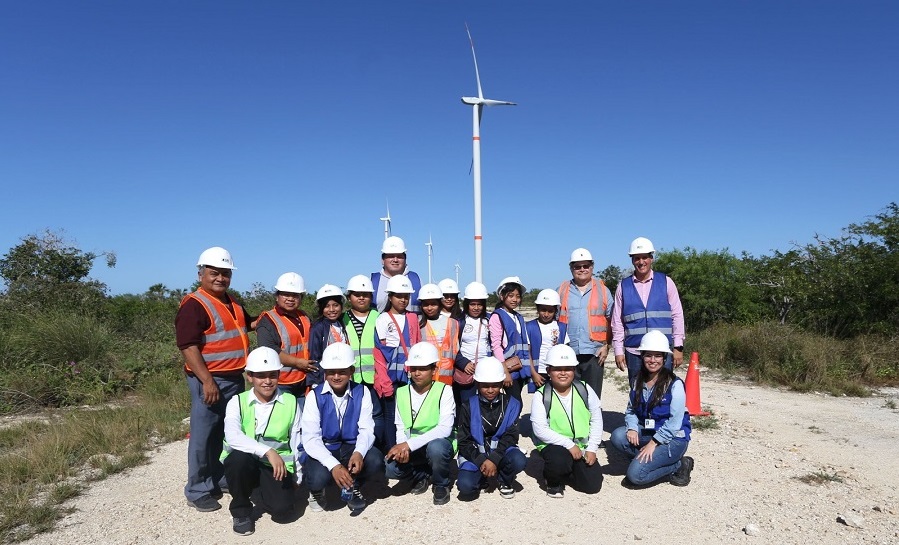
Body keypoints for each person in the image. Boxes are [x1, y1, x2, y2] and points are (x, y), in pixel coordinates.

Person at [175, 247, 255, 513]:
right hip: (210, 380)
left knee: (224, 432)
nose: (220, 278)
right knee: (203, 435)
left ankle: (219, 478)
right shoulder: (194, 304)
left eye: (225, 273)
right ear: (201, 274)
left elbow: (247, 325)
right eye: (214, 273)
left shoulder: (231, 302)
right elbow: (188, 346)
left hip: (234, 377)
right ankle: (197, 488)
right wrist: (207, 381)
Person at [221, 347, 301, 536]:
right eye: (260, 376)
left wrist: (298, 476)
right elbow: (232, 436)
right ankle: (241, 510)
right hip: (247, 461)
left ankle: (261, 488)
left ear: (279, 375)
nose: (267, 381)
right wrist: (267, 451)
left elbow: (298, 441)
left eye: (272, 375)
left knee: (283, 512)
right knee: (237, 460)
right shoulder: (236, 402)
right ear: (250, 377)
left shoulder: (290, 402)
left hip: (275, 467)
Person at [300, 343, 385, 515]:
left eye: (342, 371)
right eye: (331, 372)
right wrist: (334, 466)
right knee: (317, 477)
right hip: (325, 447)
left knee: (375, 460)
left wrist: (359, 452)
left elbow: (367, 429)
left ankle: (352, 484)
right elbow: (310, 438)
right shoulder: (314, 396)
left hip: (351, 446)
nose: (336, 376)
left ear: (352, 371)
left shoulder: (363, 392)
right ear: (324, 372)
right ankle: (316, 491)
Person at [609, 330, 693, 487]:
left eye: (658, 356)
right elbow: (631, 411)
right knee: (618, 436)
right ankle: (646, 460)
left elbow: (675, 423)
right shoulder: (637, 381)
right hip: (650, 431)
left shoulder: (675, 385)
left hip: (673, 438)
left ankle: (680, 464)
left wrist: (653, 443)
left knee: (635, 476)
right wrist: (632, 428)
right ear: (642, 357)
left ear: (664, 358)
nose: (652, 360)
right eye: (648, 355)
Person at [385, 342, 456, 506]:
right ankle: (421, 475)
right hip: (413, 447)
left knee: (436, 449)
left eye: (423, 369)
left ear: (433, 370)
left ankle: (441, 484)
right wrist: (401, 448)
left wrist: (407, 444)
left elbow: (444, 429)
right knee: (388, 467)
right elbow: (400, 426)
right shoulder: (402, 392)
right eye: (413, 368)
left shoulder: (444, 390)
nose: (417, 373)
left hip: (436, 444)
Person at [530, 344, 604, 498]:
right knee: (558, 461)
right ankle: (553, 481)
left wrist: (592, 448)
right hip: (555, 446)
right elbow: (540, 430)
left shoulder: (585, 389)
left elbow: (596, 419)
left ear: (574, 370)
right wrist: (569, 445)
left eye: (568, 368)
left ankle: (568, 471)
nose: (563, 373)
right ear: (549, 371)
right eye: (557, 369)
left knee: (592, 485)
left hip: (581, 447)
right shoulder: (541, 395)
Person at [611, 237, 686, 385]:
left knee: (663, 393)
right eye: (637, 258)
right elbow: (617, 322)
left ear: (651, 258)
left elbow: (677, 315)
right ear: (632, 260)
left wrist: (678, 346)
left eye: (645, 257)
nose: (641, 262)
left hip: (661, 352)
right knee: (636, 393)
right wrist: (618, 351)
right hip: (634, 352)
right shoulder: (623, 286)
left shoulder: (666, 282)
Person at [456, 356, 526, 500]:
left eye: (494, 385)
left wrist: (493, 459)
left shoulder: (512, 404)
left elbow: (511, 436)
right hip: (476, 455)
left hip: (500, 453)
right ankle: (481, 476)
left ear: (501, 383)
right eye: (485, 385)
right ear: (477, 383)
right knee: (465, 487)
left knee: (518, 460)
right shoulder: (467, 406)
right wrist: (482, 461)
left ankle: (504, 480)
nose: (490, 390)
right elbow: (463, 441)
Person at [373, 275, 422, 451]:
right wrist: (384, 380)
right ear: (390, 297)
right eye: (399, 296)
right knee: (390, 416)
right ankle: (391, 451)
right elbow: (379, 353)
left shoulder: (412, 318)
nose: (403, 299)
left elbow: (416, 346)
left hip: (409, 376)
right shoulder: (383, 319)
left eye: (406, 296)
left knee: (407, 415)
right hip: (391, 377)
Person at [558, 248, 612, 399]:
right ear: (571, 268)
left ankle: (592, 423)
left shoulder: (603, 290)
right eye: (577, 266)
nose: (582, 269)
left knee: (592, 397)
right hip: (567, 353)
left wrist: (606, 346)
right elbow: (552, 321)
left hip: (594, 353)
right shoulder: (562, 290)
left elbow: (612, 321)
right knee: (569, 397)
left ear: (592, 267)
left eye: (585, 266)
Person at [256, 272, 317, 408]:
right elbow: (270, 351)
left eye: (295, 295)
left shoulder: (304, 317)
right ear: (277, 296)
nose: (290, 298)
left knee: (304, 424)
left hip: (305, 381)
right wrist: (298, 363)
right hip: (282, 383)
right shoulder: (268, 320)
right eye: (286, 294)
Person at [341, 275, 386, 449]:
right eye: (357, 294)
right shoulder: (342, 318)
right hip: (350, 378)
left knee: (377, 414)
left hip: (374, 377)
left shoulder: (380, 317)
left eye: (365, 294)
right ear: (349, 296)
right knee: (352, 415)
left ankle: (376, 449)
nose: (361, 297)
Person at [489, 276, 531, 402]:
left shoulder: (518, 317)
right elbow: (496, 346)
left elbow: (526, 344)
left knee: (515, 402)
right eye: (511, 295)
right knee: (515, 403)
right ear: (502, 296)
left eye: (518, 296)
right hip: (508, 369)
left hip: (520, 368)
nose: (515, 299)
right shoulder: (497, 317)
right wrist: (505, 372)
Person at [453, 281, 492, 405]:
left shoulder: (490, 320)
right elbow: (452, 347)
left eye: (479, 304)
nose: (476, 308)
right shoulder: (459, 321)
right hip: (466, 370)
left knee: (485, 403)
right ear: (466, 304)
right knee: (467, 404)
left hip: (485, 369)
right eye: (472, 304)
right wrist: (463, 363)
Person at [526, 289, 569, 393]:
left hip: (555, 370)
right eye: (543, 310)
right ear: (537, 309)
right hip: (539, 371)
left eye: (550, 311)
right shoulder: (529, 327)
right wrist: (534, 374)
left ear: (555, 311)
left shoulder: (561, 327)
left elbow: (565, 349)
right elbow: (527, 353)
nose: (546, 314)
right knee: (540, 400)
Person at [308, 284, 350, 390]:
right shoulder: (318, 327)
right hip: (325, 378)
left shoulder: (342, 323)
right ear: (321, 308)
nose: (331, 309)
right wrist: (315, 382)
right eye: (327, 306)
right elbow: (314, 356)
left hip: (342, 376)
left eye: (335, 305)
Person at [418, 283, 458, 386]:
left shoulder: (453, 323)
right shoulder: (417, 323)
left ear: (440, 304)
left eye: (433, 304)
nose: (429, 308)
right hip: (424, 379)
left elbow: (455, 351)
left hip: (446, 380)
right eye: (426, 304)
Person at [371, 236, 423, 314]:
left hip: (412, 325)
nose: (395, 260)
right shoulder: (372, 281)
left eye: (399, 256)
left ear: (405, 259)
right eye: (391, 256)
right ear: (382, 260)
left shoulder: (417, 280)